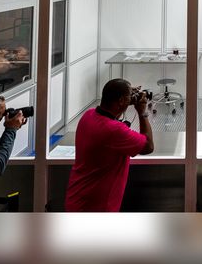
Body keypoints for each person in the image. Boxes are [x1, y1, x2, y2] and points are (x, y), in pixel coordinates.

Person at [64, 79, 154, 212]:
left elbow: (111, 115)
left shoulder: (88, 115)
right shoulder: (113, 130)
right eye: (129, 96)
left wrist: (125, 93)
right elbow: (148, 146)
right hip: (96, 210)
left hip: (77, 201)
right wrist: (142, 112)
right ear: (121, 100)